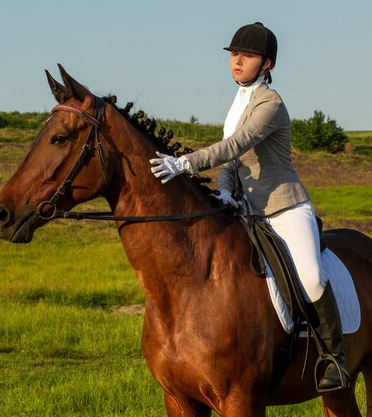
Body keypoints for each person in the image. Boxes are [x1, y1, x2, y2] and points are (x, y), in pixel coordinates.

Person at [149, 22, 350, 392]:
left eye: (248, 55)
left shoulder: (270, 104)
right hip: (246, 210)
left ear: (267, 63)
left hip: (284, 207)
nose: (237, 60)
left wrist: (186, 163)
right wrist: (225, 192)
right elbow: (232, 163)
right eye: (234, 54)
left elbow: (237, 144)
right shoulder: (237, 102)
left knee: (310, 276)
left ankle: (335, 358)